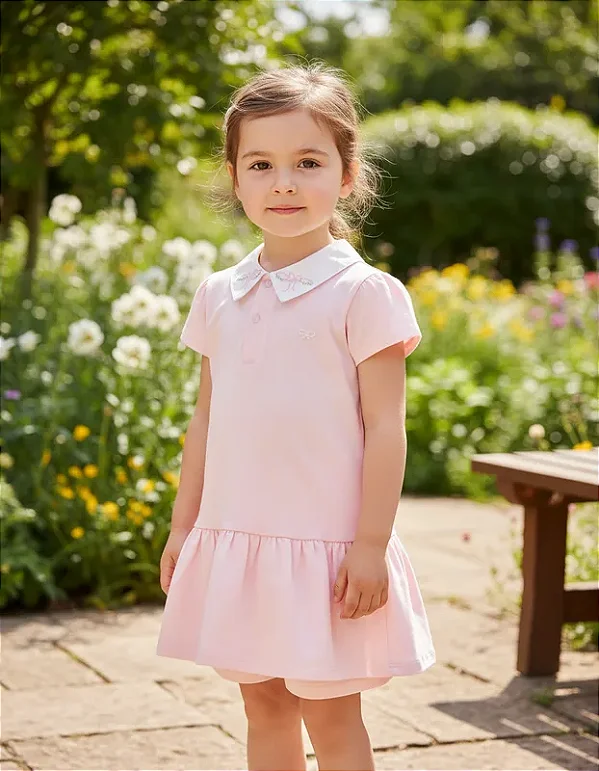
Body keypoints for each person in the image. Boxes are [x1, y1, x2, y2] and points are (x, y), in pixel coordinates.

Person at [156, 61, 435, 771]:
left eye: (307, 161)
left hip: (328, 551)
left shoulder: (363, 294)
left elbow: (385, 429)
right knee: (263, 705)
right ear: (235, 176)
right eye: (261, 163)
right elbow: (206, 421)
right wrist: (184, 526)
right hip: (239, 543)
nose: (283, 181)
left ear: (345, 174)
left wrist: (370, 544)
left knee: (331, 713)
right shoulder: (220, 293)